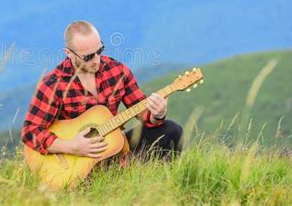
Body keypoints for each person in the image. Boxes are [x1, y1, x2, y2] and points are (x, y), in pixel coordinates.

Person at [21, 20, 183, 162]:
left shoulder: (117, 71)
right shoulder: (53, 84)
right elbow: (30, 131)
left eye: (100, 51)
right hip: (77, 160)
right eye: (88, 57)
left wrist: (157, 114)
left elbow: (143, 114)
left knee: (171, 130)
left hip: (113, 146)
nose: (96, 60)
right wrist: (70, 147)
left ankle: (156, 189)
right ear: (69, 53)